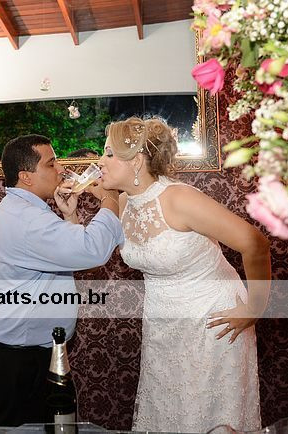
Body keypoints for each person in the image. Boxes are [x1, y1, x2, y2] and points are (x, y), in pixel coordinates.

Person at [88, 116, 270, 432]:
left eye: (109, 153)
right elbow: (94, 248)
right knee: (170, 412)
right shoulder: (123, 201)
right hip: (162, 323)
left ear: (136, 161)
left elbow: (254, 243)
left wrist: (256, 307)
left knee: (207, 415)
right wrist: (73, 211)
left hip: (212, 320)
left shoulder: (179, 198)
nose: (99, 161)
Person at [0, 134, 124, 427]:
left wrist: (69, 215)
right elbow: (92, 250)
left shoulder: (21, 210)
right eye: (51, 163)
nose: (61, 169)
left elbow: (69, 256)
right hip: (17, 357)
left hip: (17, 350)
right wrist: (110, 199)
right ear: (26, 176)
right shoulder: (28, 221)